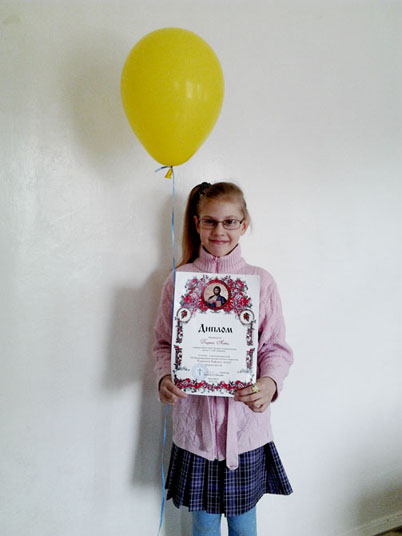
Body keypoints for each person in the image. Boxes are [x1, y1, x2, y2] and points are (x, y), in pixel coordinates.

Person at [153, 182, 293, 536]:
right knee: (203, 528)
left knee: (244, 528)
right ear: (197, 223)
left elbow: (275, 348)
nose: (220, 230)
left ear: (244, 224)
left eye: (230, 221)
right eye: (211, 221)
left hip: (246, 434)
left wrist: (269, 383)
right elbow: (164, 344)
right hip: (195, 436)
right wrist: (164, 377)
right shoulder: (179, 281)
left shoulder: (260, 282)